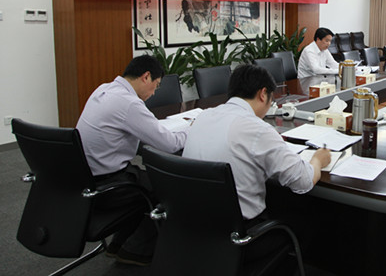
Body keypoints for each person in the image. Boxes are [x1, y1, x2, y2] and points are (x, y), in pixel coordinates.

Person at [76, 54, 189, 265]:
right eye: (156, 85)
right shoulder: (129, 104)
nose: (154, 93)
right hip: (109, 186)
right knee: (169, 186)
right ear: (146, 76)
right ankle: (136, 250)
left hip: (84, 182)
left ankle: (120, 243)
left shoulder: (103, 89)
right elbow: (170, 144)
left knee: (145, 176)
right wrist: (193, 128)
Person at [183, 63, 331, 222]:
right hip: (240, 229)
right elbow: (303, 181)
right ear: (263, 94)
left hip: (191, 221)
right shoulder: (257, 129)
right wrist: (318, 160)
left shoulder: (203, 116)